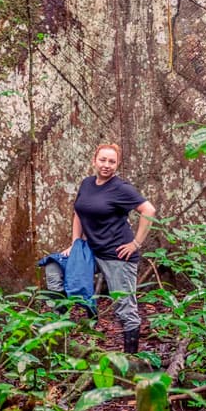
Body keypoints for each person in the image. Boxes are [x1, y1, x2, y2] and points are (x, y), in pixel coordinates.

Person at [60, 143, 156, 354]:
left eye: (112, 162)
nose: (106, 165)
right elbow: (79, 212)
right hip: (91, 251)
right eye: (103, 160)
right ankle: (74, 326)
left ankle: (130, 360)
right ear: (94, 160)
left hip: (117, 256)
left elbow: (148, 210)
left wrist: (136, 243)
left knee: (124, 307)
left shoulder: (121, 188)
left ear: (117, 164)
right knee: (55, 269)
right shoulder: (86, 184)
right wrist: (76, 242)